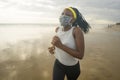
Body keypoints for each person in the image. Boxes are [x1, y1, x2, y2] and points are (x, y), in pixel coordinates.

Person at [48, 7, 91, 80]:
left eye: (67, 15)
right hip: (58, 63)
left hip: (72, 67)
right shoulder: (58, 29)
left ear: (73, 19)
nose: (63, 16)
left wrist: (60, 46)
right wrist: (52, 47)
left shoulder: (76, 31)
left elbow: (80, 55)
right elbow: (57, 42)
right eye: (62, 13)